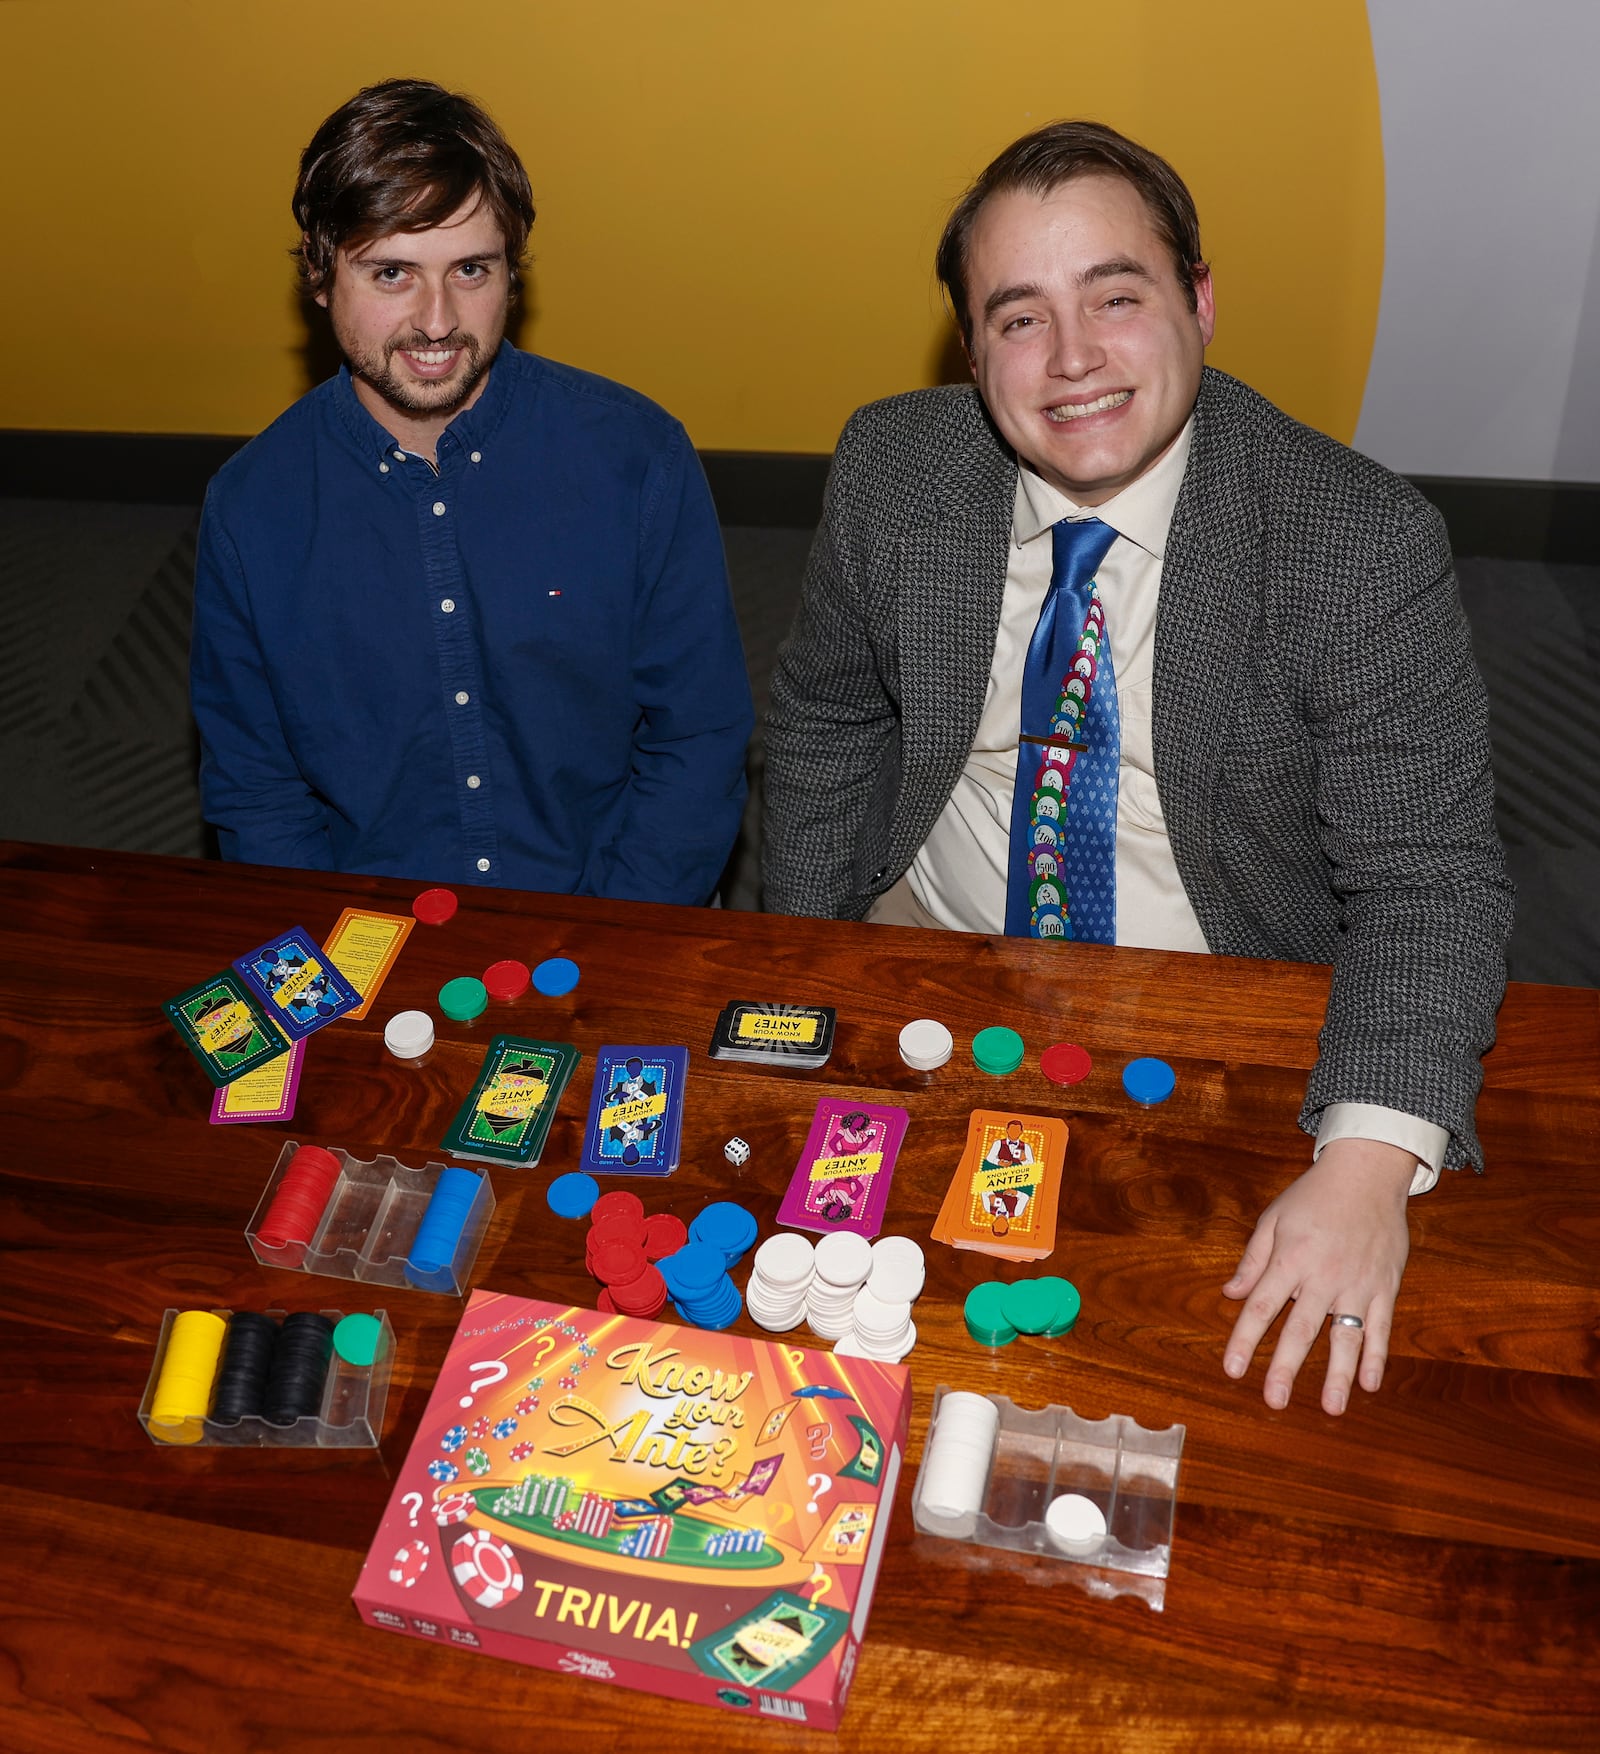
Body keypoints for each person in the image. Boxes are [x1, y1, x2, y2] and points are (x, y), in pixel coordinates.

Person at [764, 121, 1513, 1416]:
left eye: (1116, 296)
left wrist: (1367, 1164)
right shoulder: (893, 468)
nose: (1072, 361)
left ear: (1200, 303)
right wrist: (810, 974)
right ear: (969, 344)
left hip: (1217, 1002)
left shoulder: (1358, 543)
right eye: (1018, 318)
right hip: (931, 958)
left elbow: (1429, 882)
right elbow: (825, 722)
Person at [192, 79, 752, 903]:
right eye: (391, 273)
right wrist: (335, 952)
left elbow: (697, 740)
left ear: (511, 274)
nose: (437, 319)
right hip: (369, 938)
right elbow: (256, 790)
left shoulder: (639, 456)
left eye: (471, 269)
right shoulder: (250, 509)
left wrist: (615, 932)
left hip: (609, 910)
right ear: (320, 278)